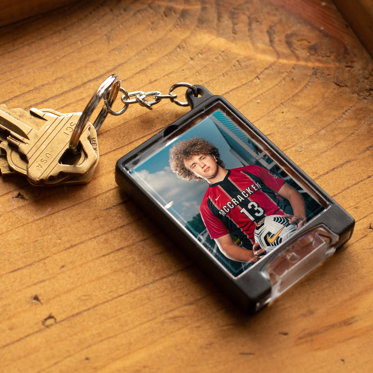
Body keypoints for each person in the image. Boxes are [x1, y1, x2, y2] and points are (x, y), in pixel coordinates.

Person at [169, 137, 306, 264]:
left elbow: (290, 192)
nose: (201, 164)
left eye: (202, 157)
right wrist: (254, 256)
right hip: (271, 257)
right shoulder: (207, 207)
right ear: (193, 174)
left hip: (296, 232)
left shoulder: (252, 171)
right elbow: (226, 247)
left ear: (213, 156)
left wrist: (300, 216)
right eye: (194, 165)